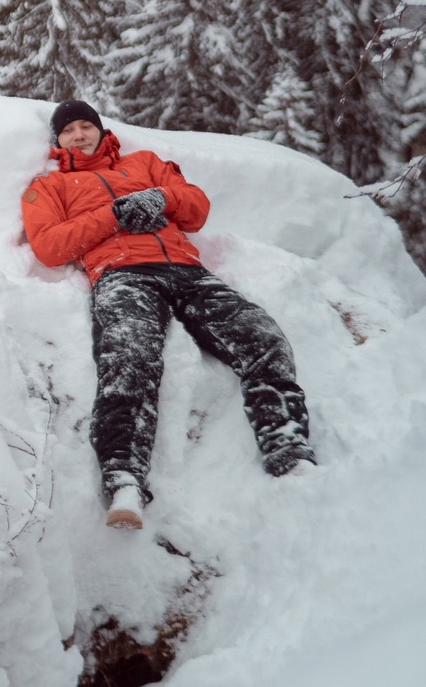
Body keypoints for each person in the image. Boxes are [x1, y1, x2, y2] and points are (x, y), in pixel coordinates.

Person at [24, 100, 315, 529]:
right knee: (130, 355)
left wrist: (160, 196)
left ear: (102, 132)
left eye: (87, 126)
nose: (80, 134)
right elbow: (50, 246)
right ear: (57, 141)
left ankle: (286, 445)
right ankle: (124, 477)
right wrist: (113, 215)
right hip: (122, 276)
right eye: (69, 130)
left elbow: (196, 208)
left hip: (187, 271)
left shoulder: (145, 163)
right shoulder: (49, 187)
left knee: (261, 335)